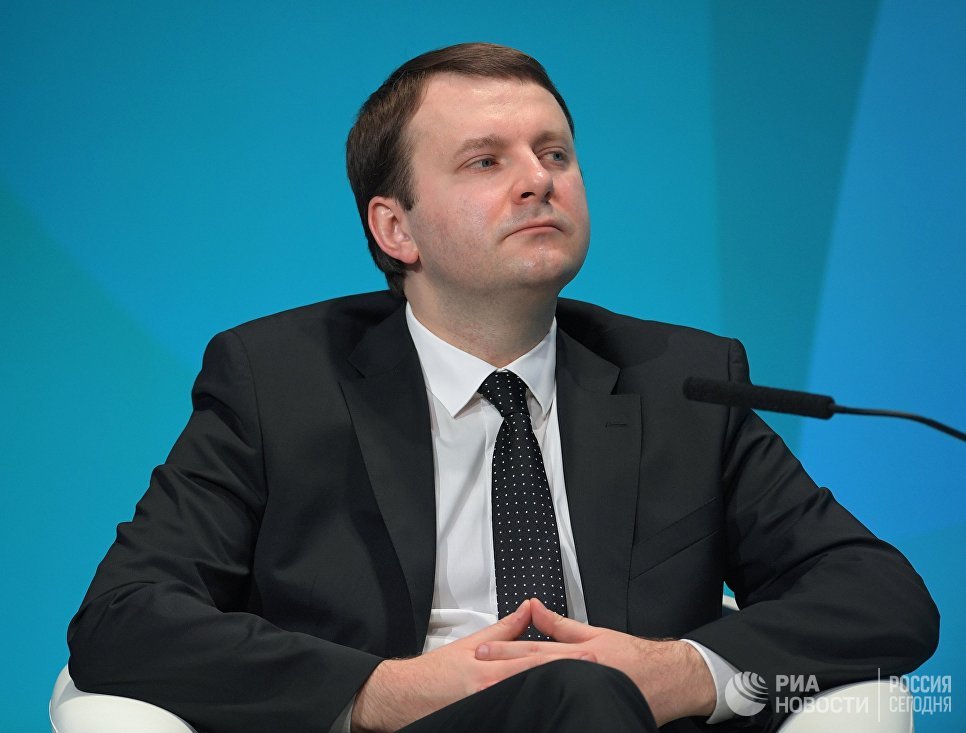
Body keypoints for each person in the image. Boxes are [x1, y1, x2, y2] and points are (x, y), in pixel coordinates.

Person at [68, 42, 938, 733]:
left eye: (554, 152)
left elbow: (882, 597)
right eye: (485, 161)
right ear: (396, 228)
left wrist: (675, 672)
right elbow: (122, 618)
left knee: (587, 692)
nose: (539, 179)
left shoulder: (681, 381)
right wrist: (385, 690)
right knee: (575, 691)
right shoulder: (279, 381)